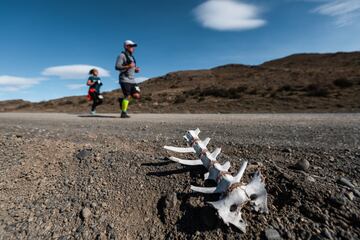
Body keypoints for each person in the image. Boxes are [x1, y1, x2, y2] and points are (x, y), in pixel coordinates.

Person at [115, 40, 141, 118]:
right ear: (126, 46)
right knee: (127, 96)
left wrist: (135, 69)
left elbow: (131, 67)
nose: (133, 48)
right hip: (124, 79)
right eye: (131, 46)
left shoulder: (132, 57)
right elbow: (117, 67)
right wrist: (128, 66)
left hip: (132, 80)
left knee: (137, 95)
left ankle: (121, 101)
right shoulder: (121, 55)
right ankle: (123, 113)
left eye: (133, 46)